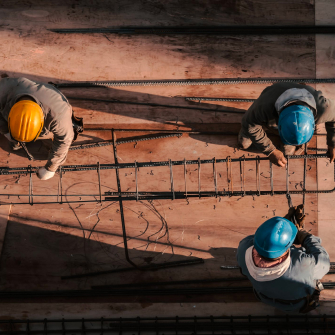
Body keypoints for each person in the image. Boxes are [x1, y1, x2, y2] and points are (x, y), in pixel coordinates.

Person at [237, 205, 330, 313]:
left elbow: (265, 241)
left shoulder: (243, 248)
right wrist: (306, 237)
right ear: (287, 247)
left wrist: (281, 226)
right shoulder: (304, 265)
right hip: (296, 304)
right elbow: (324, 262)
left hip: (264, 296)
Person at [238, 82, 335, 167]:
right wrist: (270, 151)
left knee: (287, 153)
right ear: (278, 124)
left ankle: (288, 138)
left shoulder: (324, 109)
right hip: (270, 105)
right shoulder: (264, 107)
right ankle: (247, 131)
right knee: (244, 143)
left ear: (313, 123)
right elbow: (249, 122)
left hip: (283, 114)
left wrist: (333, 143)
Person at [0, 77, 75, 180]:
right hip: (9, 104)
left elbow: (65, 139)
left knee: (54, 144)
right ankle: (15, 140)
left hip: (50, 111)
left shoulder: (58, 115)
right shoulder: (3, 90)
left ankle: (46, 144)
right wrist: (6, 131)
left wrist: (51, 167)